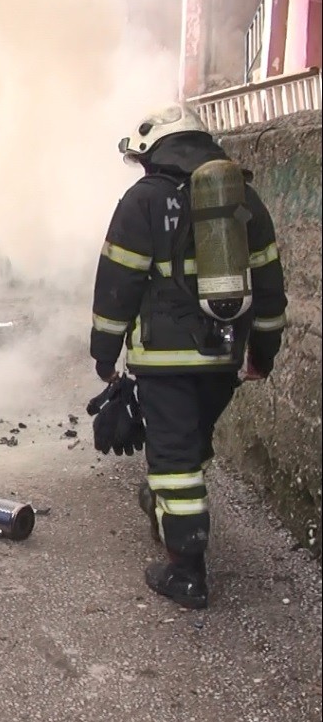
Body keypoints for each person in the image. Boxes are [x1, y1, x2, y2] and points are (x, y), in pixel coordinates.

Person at [94, 104, 287, 610]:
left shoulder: (142, 202)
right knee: (191, 441)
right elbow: (269, 289)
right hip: (224, 356)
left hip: (164, 360)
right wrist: (262, 352)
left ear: (156, 153)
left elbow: (117, 286)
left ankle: (187, 570)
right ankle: (166, 507)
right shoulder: (244, 199)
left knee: (175, 460)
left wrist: (103, 352)